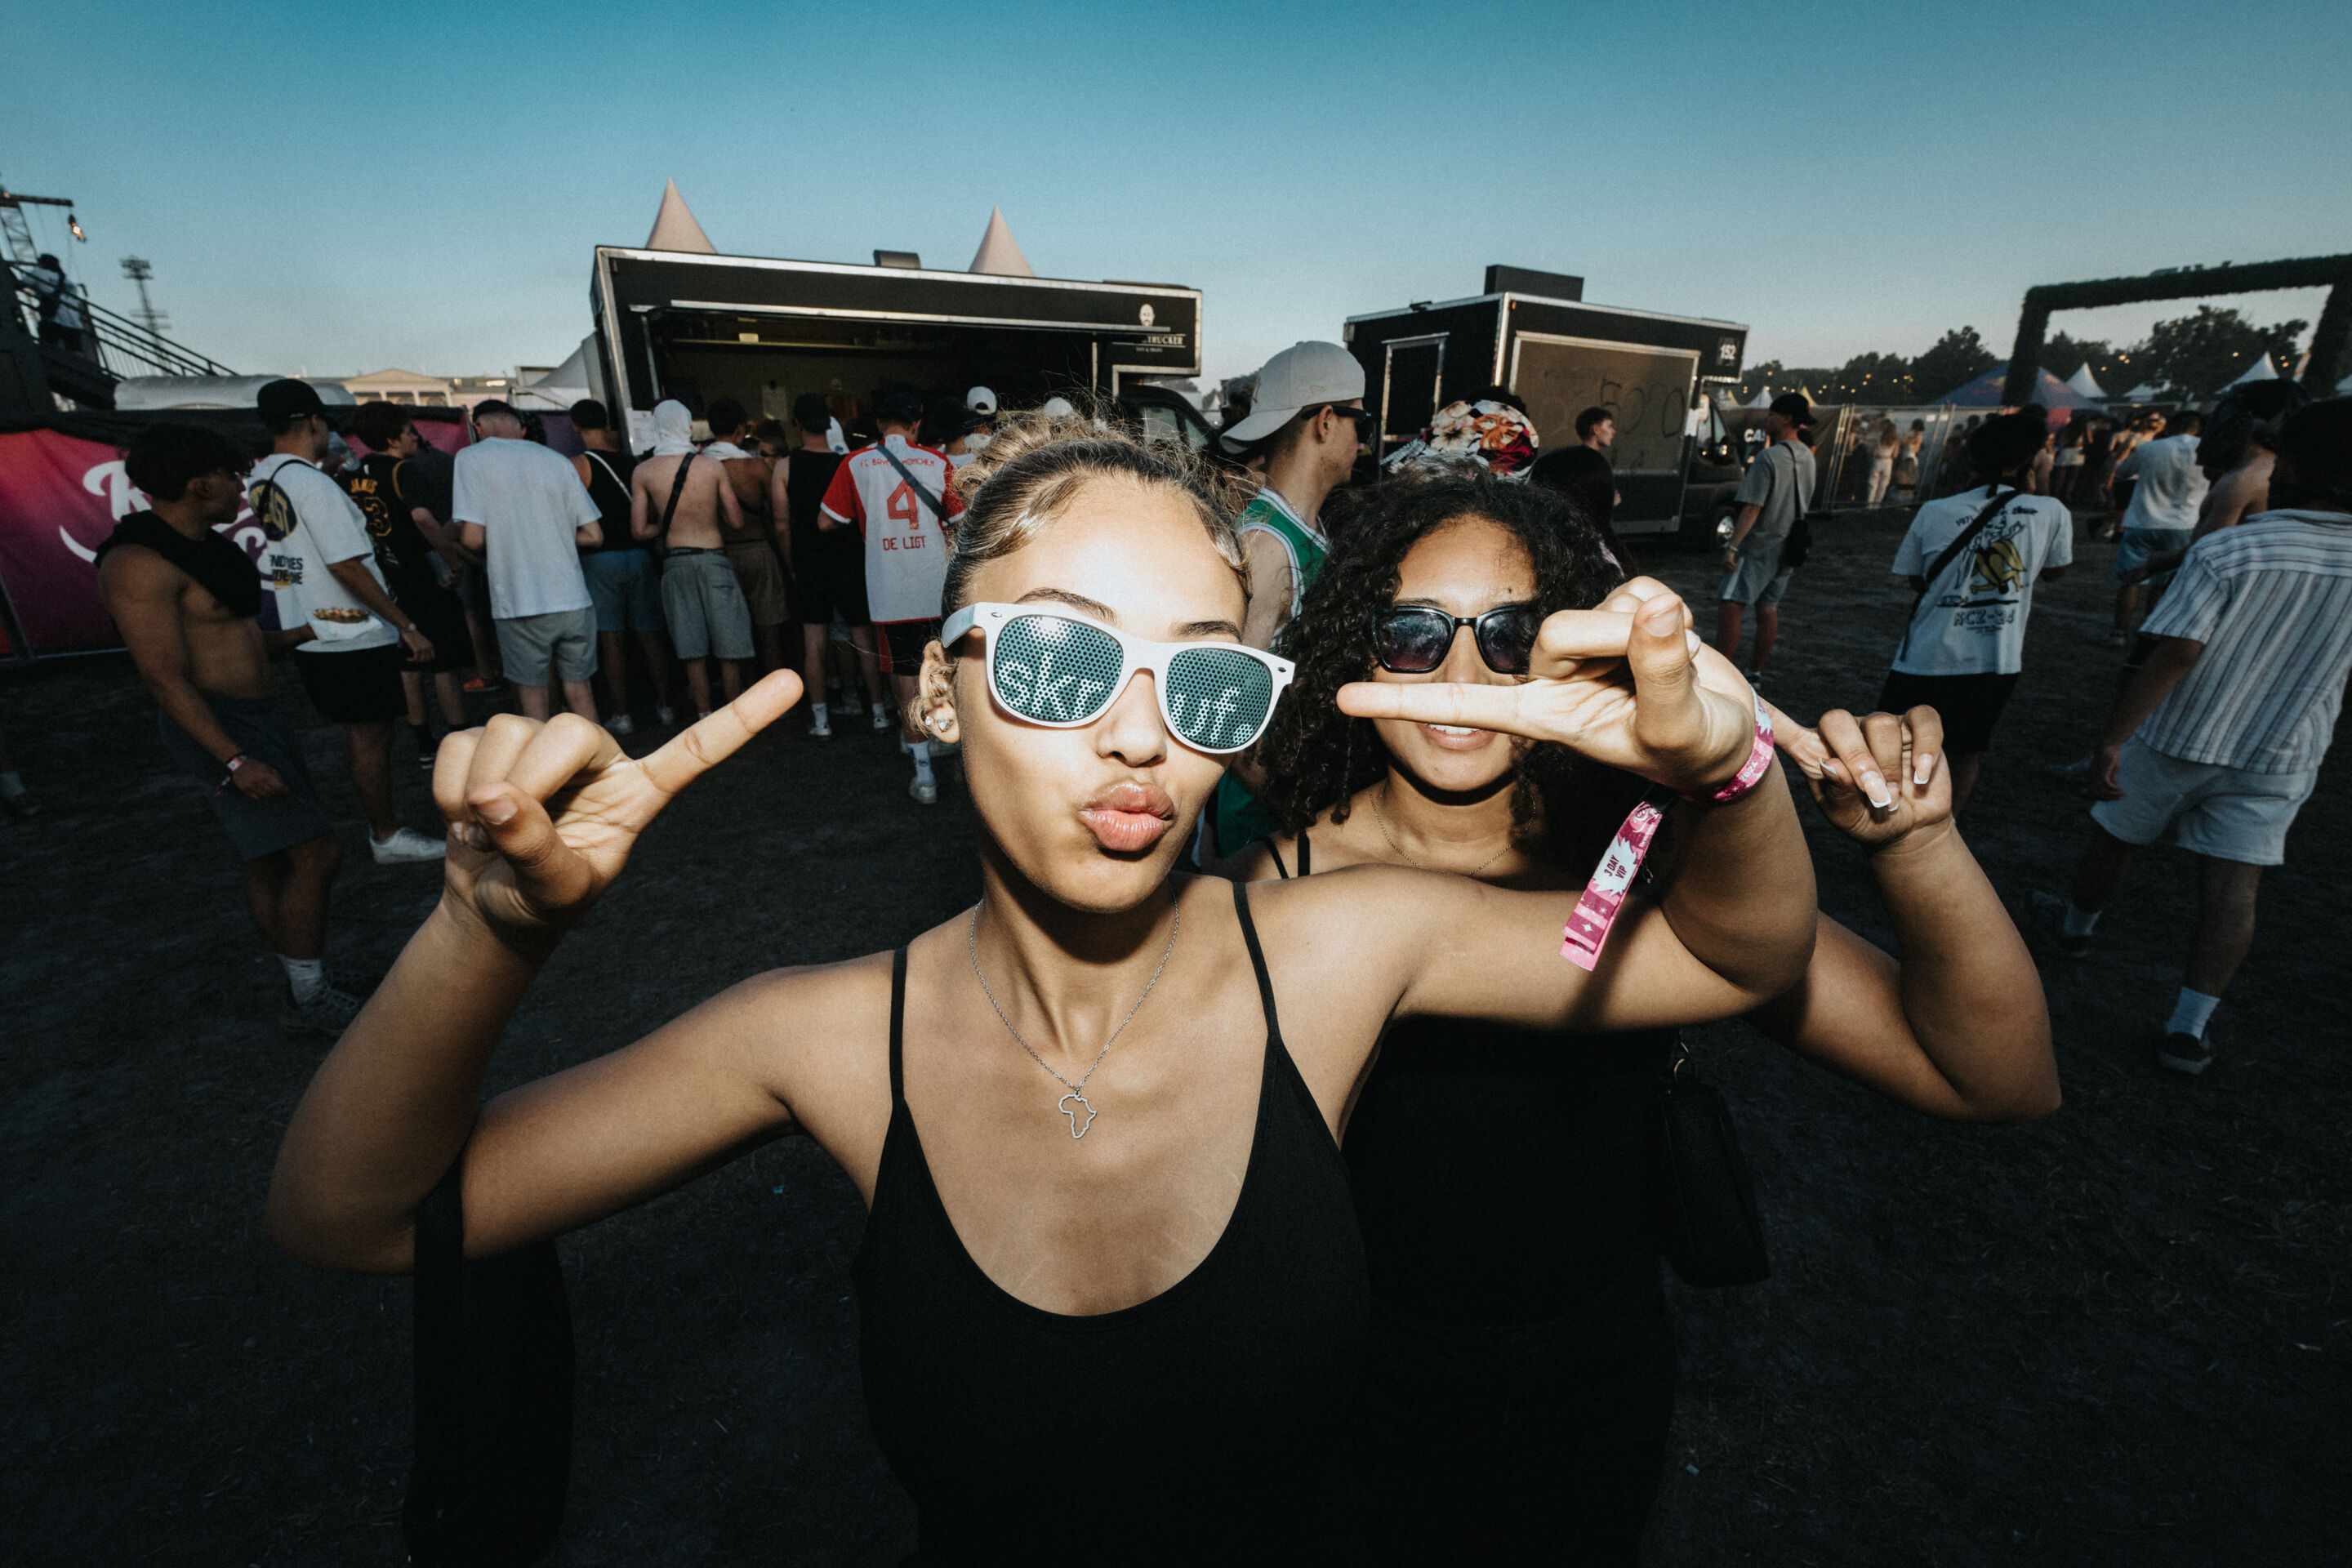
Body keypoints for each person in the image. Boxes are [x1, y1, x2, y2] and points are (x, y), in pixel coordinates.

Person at [265, 412, 1819, 1564]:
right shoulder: (821, 1042)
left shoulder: (1339, 951)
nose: (1142, 739)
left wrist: (1726, 772)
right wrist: (487, 927)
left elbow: (1738, 955)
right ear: (937, 690)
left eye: (1204, 679)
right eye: (1063, 668)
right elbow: (353, 1218)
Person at [1232, 473, 2056, 1560]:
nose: (1471, 672)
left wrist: (1916, 844)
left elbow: (1991, 1077)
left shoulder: (1658, 869)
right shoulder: (1275, 887)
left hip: (1590, 1380)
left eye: (1516, 635)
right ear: (1358, 643)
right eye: (1414, 630)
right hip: (1349, 1386)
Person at [2030, 399, 2352, 1076]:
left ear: (2293, 464)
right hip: (2284, 748)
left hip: (2184, 729)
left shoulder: (2237, 547)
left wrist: (2115, 737)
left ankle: (2076, 927)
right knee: (2236, 887)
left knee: (2117, 832)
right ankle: (2188, 1028)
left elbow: (2175, 652)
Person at [96, 423, 364, 1035]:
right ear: (198, 484)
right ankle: (308, 997)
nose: (242, 487)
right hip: (221, 729)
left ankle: (306, 977)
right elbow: (164, 679)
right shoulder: (137, 563)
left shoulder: (204, 544)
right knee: (316, 853)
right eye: (232, 475)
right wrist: (236, 760)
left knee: (270, 859)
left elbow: (232, 640)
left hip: (258, 718)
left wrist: (308, 631)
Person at [248, 380, 448, 865]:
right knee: (371, 735)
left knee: (365, 733)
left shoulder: (265, 477)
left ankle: (384, 830)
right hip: (349, 632)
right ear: (315, 421)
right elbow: (345, 565)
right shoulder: (311, 482)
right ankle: (385, 835)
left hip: (315, 630)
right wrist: (406, 624)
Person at [1207, 341, 1375, 850]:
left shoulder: (1301, 528)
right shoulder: (1266, 545)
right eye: (1359, 426)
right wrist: (1300, 818)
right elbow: (1224, 710)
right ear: (1326, 421)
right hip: (1258, 828)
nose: (1361, 445)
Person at [1878, 412, 2072, 813]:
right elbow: (2054, 571)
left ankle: (1891, 818)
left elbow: (1916, 579)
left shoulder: (1935, 511)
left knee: (1897, 744)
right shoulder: (2051, 511)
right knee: (1966, 752)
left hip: (1926, 655)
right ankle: (1946, 828)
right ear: (2030, 460)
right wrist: (2038, 482)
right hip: (1994, 659)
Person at [818, 385, 965, 803]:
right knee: (941, 673)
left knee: (904, 685)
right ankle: (947, 747)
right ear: (916, 423)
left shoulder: (856, 463)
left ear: (880, 424)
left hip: (888, 590)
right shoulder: (938, 462)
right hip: (934, 588)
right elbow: (962, 521)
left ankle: (924, 779)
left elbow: (826, 522)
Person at [455, 399, 605, 722]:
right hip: (572, 598)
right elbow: (594, 535)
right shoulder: (557, 461)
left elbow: (472, 539)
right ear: (520, 427)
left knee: (533, 699)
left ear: (477, 427)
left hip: (519, 601)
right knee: (580, 692)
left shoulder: (471, 458)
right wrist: (553, 535)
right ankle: (601, 765)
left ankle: (544, 768)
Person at [347, 403, 472, 768]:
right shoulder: (405, 471)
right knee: (444, 665)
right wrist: (450, 559)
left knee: (409, 665)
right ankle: (460, 739)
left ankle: (424, 745)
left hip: (385, 582)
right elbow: (422, 518)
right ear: (392, 438)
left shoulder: (352, 475)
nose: (416, 437)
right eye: (409, 431)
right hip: (422, 578)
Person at [773, 391, 888, 739]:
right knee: (862, 636)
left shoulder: (785, 466)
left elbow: (780, 522)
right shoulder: (851, 463)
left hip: (809, 560)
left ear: (796, 423)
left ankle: (821, 719)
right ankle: (880, 712)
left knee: (814, 642)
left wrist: (791, 562)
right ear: (828, 422)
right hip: (850, 559)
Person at [633, 399, 752, 719]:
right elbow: (737, 521)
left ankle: (703, 715)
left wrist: (665, 525)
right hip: (714, 559)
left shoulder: (643, 471)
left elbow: (640, 530)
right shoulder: (711, 468)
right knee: (729, 648)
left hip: (676, 564)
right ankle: (734, 716)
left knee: (692, 651)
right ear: (687, 425)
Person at [568, 399, 675, 736]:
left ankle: (622, 713)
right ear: (608, 425)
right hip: (640, 555)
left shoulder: (578, 466)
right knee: (650, 635)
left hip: (600, 560)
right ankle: (666, 706)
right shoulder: (633, 464)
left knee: (611, 639)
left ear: (575, 427)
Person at [1716, 392, 1815, 682]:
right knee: (1769, 608)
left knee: (1731, 603)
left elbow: (1752, 507)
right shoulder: (1808, 456)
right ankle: (1755, 673)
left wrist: (1732, 546)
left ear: (1786, 418)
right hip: (1791, 544)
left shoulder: (1768, 458)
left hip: (1760, 544)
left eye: (1772, 414)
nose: (1766, 419)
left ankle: (1720, 674)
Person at [703, 397, 792, 678]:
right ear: (740, 430)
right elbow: (780, 514)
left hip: (718, 553)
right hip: (756, 550)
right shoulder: (755, 468)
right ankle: (775, 693)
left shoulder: (698, 468)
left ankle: (739, 689)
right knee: (769, 627)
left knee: (728, 629)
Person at [2108, 409, 2207, 646]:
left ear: (2170, 427)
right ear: (2199, 429)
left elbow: (2122, 472)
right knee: (2162, 584)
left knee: (2129, 581)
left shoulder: (2150, 448)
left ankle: (2119, 634)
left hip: (2143, 521)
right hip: (2183, 524)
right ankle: (2151, 630)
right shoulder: (2206, 451)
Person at [24, 252, 90, 357]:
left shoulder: (39, 273)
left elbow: (20, 285)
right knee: (75, 350)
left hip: (53, 318)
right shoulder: (69, 282)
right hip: (74, 321)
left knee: (48, 346)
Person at [1865, 416, 1899, 506]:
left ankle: (1869, 505)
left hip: (1879, 460)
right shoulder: (1895, 440)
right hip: (1888, 462)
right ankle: (1877, 505)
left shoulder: (1880, 436)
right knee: (1883, 485)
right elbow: (1895, 455)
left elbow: (1874, 450)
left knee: (1873, 484)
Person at [1894, 417, 1927, 502]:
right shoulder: (1915, 436)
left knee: (1908, 478)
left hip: (1910, 457)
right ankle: (1902, 496)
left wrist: (1908, 432)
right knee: (1904, 477)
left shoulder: (1918, 436)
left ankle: (1906, 497)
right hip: (1907, 456)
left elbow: (1905, 442)